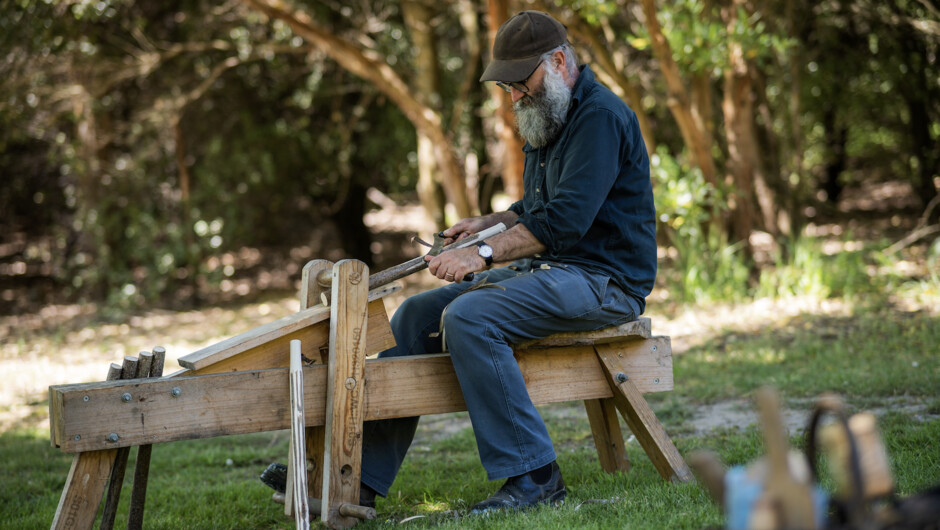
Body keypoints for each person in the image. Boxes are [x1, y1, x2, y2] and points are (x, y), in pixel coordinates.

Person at [263, 9, 657, 515]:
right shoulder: (553, 107)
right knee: (412, 317)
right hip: (557, 271)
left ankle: (536, 478)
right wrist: (486, 224)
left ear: (558, 61)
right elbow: (538, 207)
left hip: (604, 281)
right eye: (508, 86)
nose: (514, 96)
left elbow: (565, 221)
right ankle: (357, 481)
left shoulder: (598, 117)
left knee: (471, 317)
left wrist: (483, 254)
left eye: (521, 82)